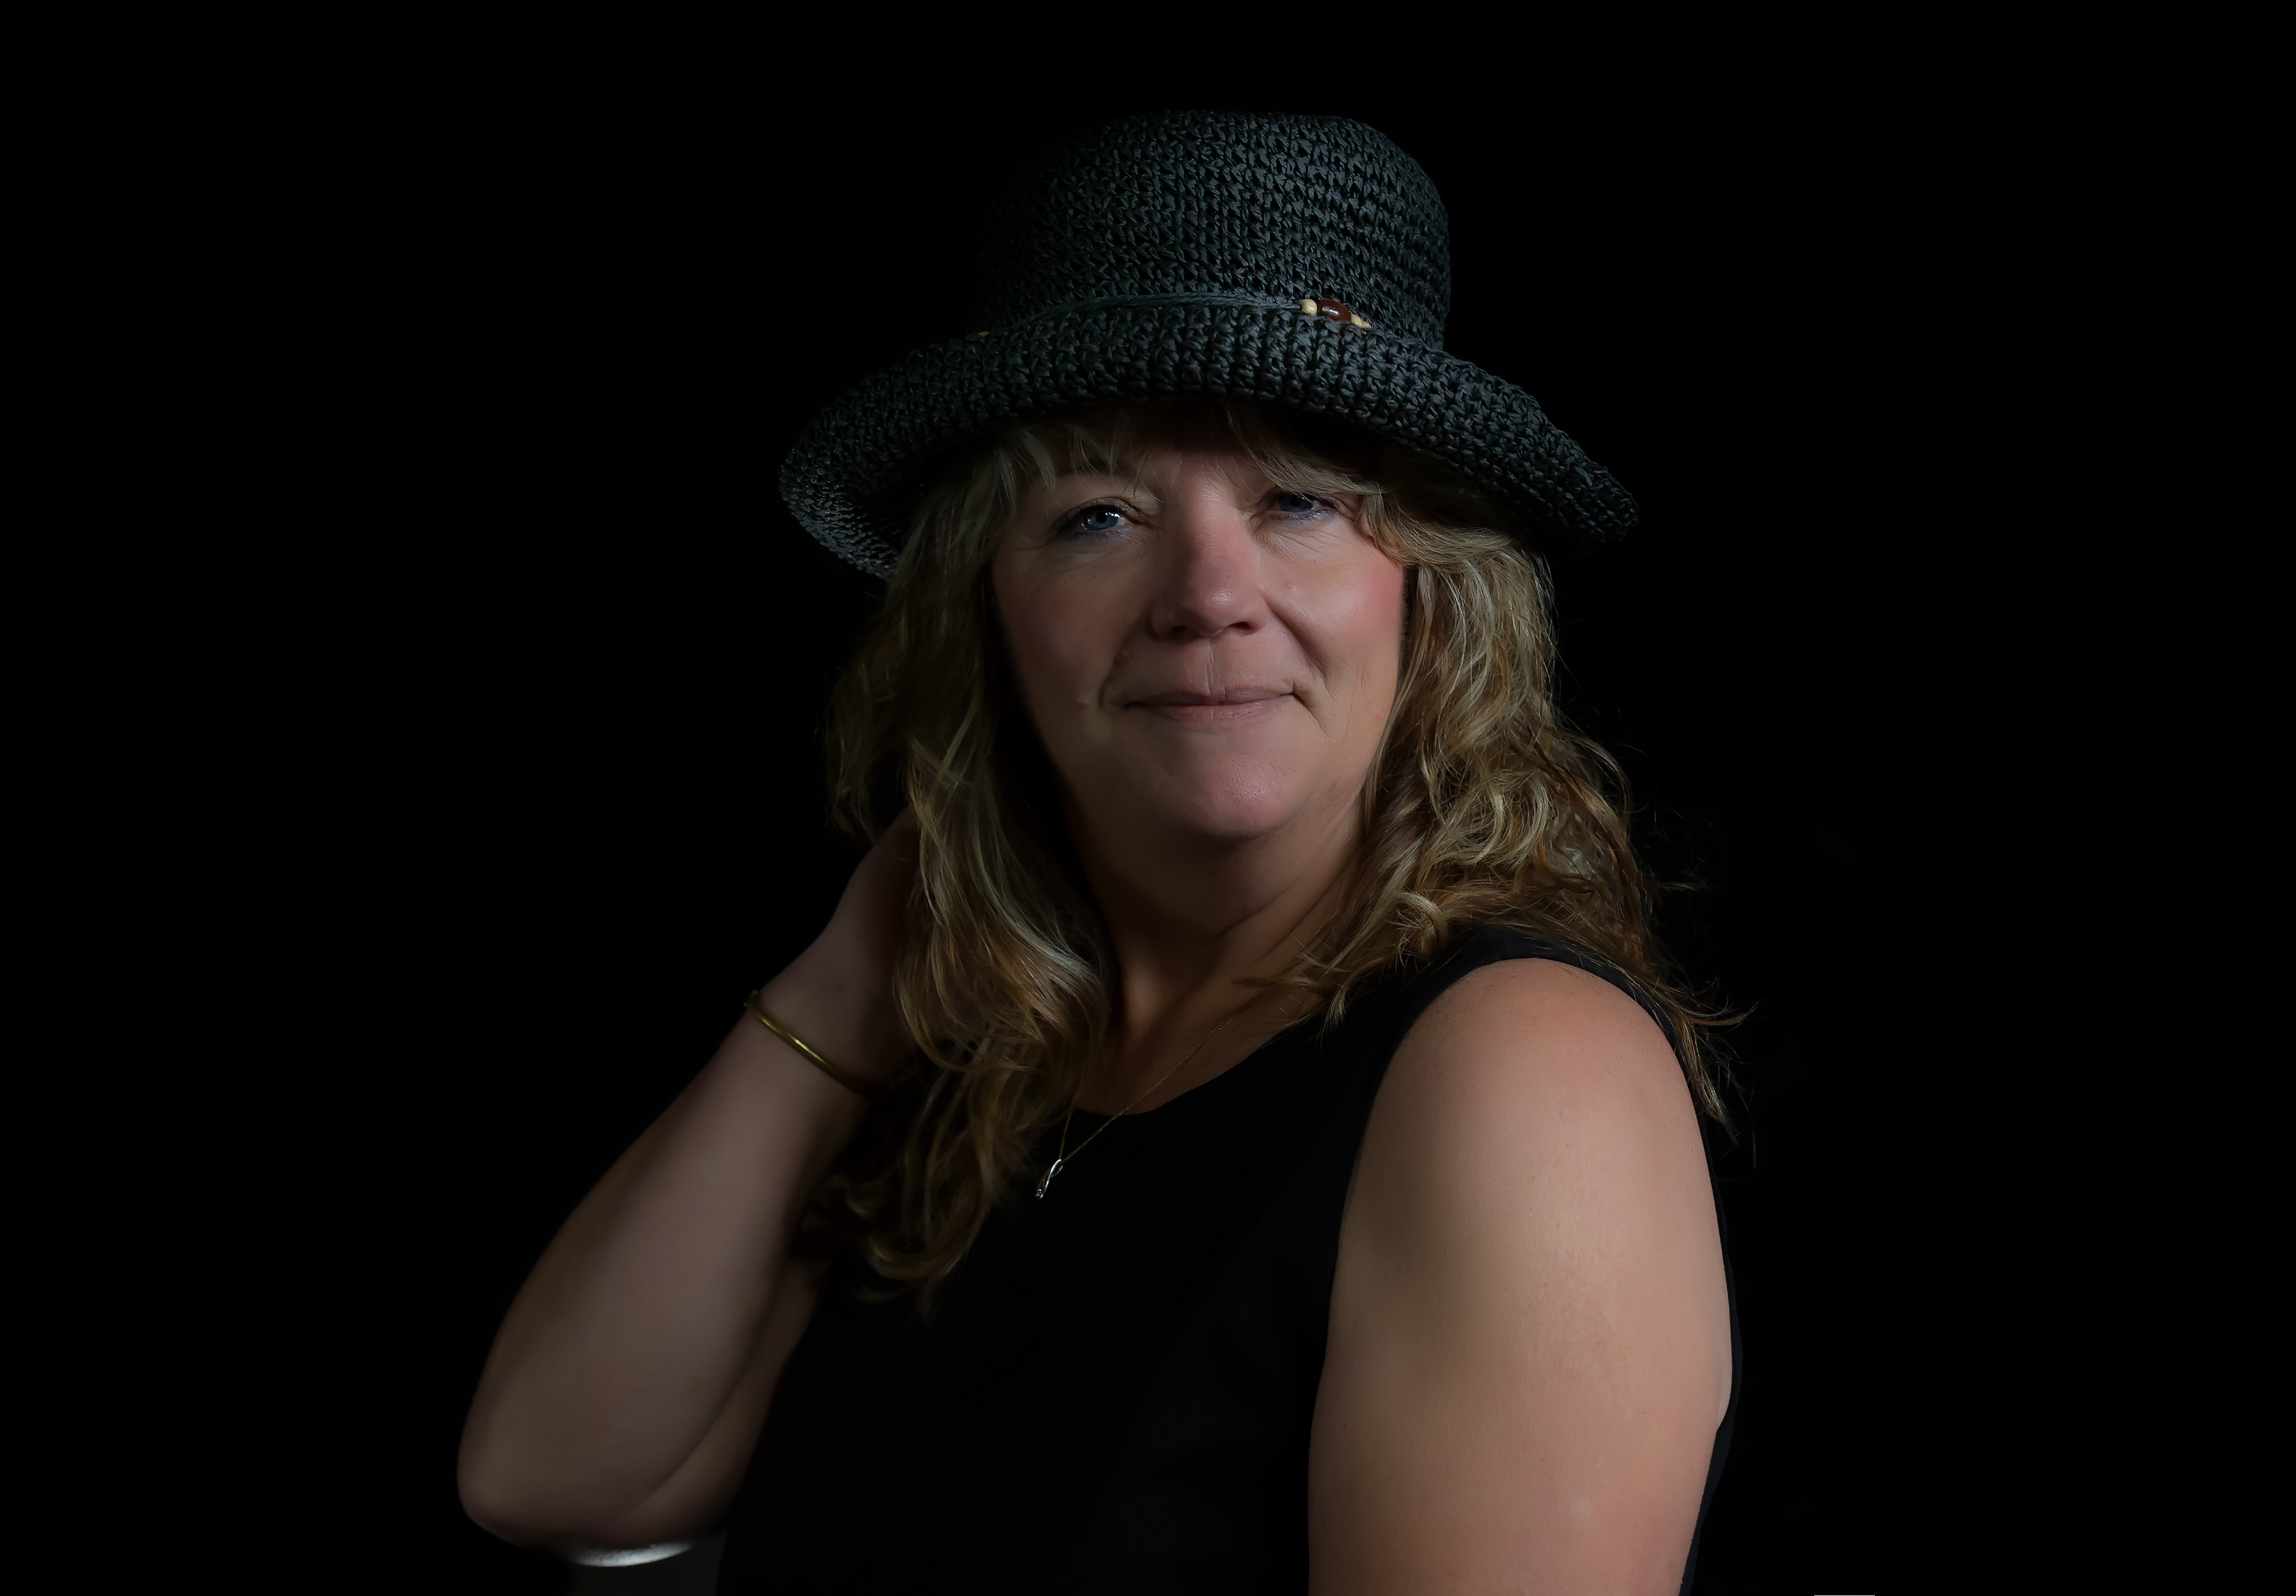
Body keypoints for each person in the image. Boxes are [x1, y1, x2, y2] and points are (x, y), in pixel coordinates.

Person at [458, 111, 1739, 1594]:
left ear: (1430, 595)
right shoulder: (969, 1063)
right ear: (989, 609)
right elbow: (548, 1473)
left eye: (1300, 502)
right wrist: (846, 984)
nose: (1207, 592)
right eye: (1101, 516)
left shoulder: (1522, 1075)